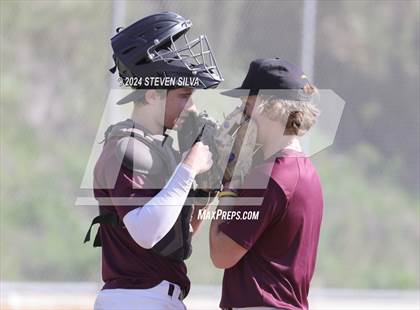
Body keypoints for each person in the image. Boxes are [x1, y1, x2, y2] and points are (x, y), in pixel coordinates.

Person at [85, 12, 223, 309]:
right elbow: (145, 233)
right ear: (151, 96)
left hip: (159, 298)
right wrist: (188, 169)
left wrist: (205, 192)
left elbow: (174, 241)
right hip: (136, 299)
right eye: (184, 95)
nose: (192, 107)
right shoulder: (124, 147)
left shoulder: (162, 150)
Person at [209, 58, 323, 310]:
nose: (241, 115)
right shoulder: (306, 170)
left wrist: (229, 182)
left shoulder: (269, 175)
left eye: (246, 105)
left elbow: (221, 254)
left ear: (266, 106)